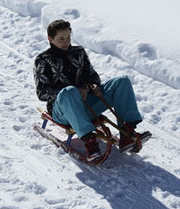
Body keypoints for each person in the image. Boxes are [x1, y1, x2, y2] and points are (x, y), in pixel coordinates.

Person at [34, 19, 145, 157]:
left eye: (68, 37)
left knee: (121, 82)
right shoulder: (43, 60)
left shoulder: (78, 52)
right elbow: (42, 92)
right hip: (62, 110)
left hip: (87, 103)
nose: (66, 42)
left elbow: (91, 75)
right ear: (50, 39)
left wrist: (94, 85)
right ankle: (89, 140)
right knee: (69, 91)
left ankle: (127, 130)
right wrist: (73, 91)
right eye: (61, 39)